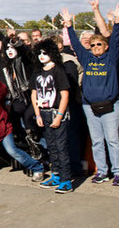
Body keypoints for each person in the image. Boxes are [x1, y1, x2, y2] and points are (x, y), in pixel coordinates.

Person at [62, 4, 119, 185]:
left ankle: (117, 172)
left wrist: (117, 22)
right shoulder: (86, 59)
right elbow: (76, 45)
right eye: (93, 44)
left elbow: (116, 41)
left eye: (99, 44)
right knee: (96, 141)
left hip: (110, 104)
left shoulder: (111, 59)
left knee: (112, 140)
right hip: (89, 106)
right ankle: (101, 172)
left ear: (105, 46)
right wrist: (69, 26)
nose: (95, 47)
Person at [30, 39, 73, 193]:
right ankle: (55, 174)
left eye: (45, 52)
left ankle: (66, 179)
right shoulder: (37, 71)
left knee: (61, 147)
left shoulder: (58, 71)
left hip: (57, 113)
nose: (42, 56)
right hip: (43, 113)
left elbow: (65, 95)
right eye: (39, 53)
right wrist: (37, 114)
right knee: (51, 146)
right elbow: (34, 93)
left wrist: (59, 116)